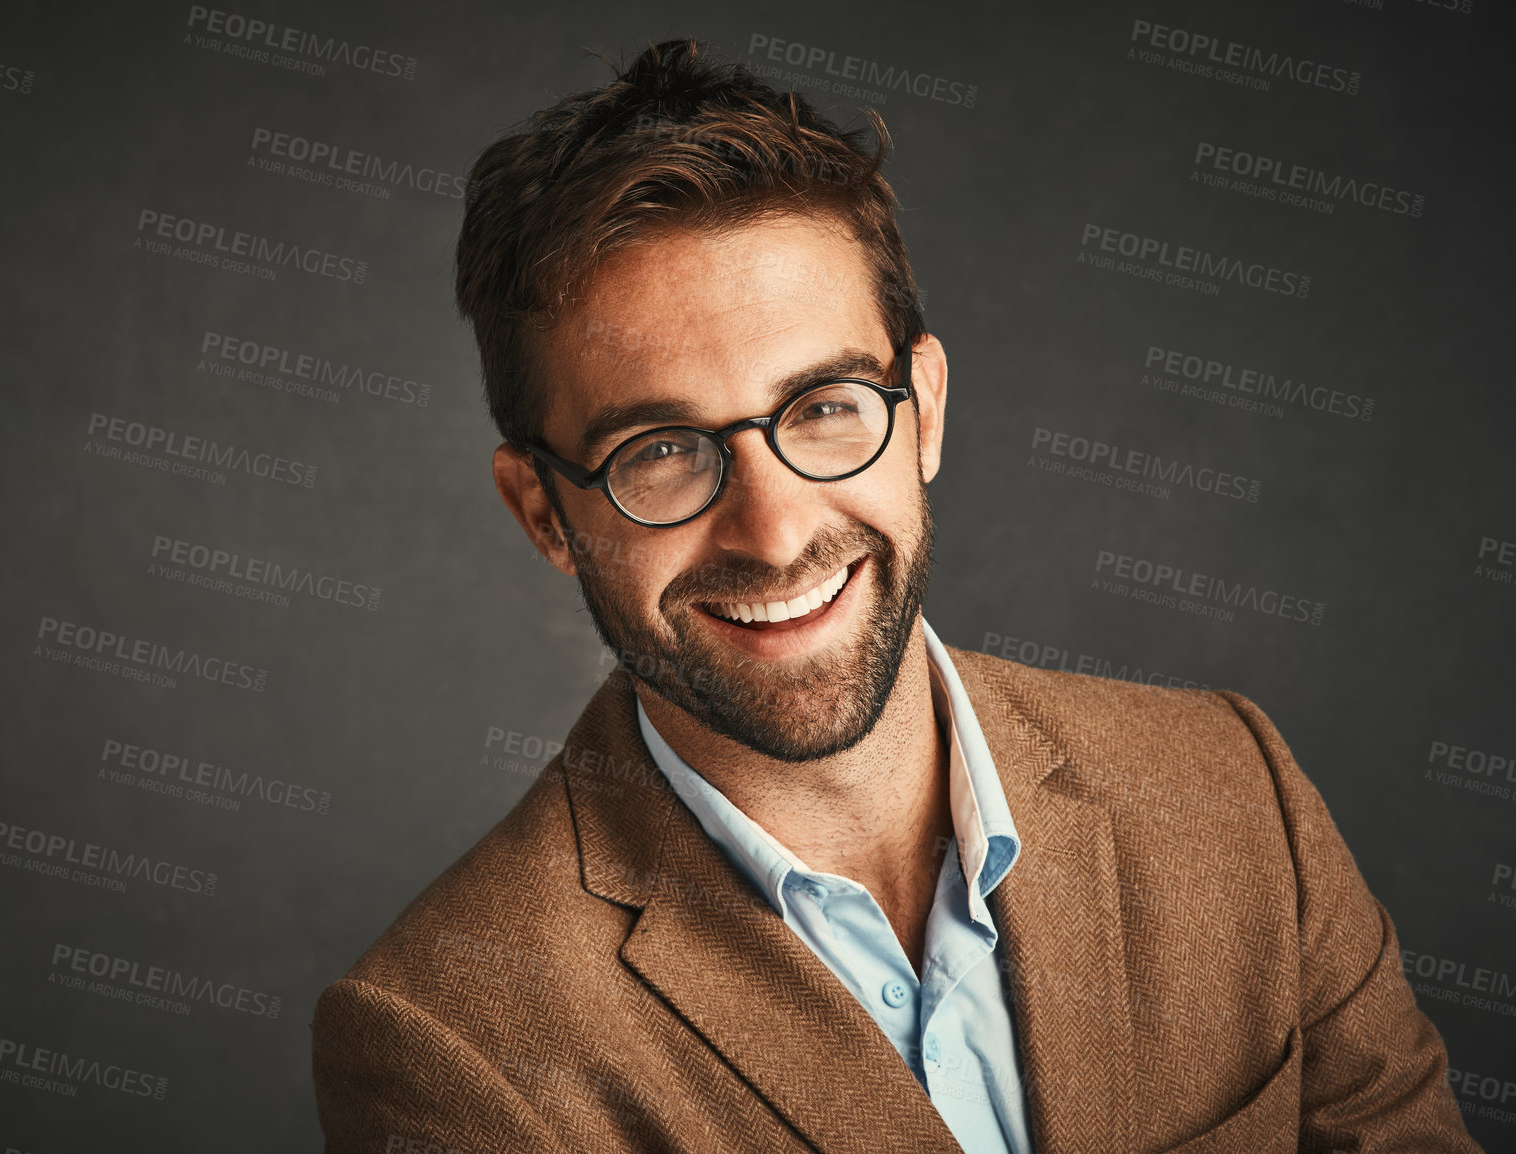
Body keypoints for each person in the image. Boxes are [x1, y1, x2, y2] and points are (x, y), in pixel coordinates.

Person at [312, 39, 1480, 1154]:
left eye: (822, 408)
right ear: (541, 512)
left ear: (919, 408)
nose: (773, 533)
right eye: (661, 450)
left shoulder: (1235, 794)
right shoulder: (450, 1042)